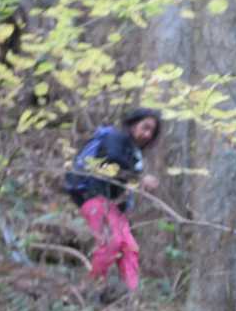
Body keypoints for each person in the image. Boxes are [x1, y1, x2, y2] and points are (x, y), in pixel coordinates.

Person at [63, 108, 162, 292]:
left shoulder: (134, 153)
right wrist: (139, 178)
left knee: (129, 248)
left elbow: (123, 180)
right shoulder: (114, 138)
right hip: (92, 196)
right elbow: (112, 161)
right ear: (133, 124)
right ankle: (89, 288)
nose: (147, 134)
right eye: (145, 127)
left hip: (114, 205)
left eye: (152, 132)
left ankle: (132, 294)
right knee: (111, 242)